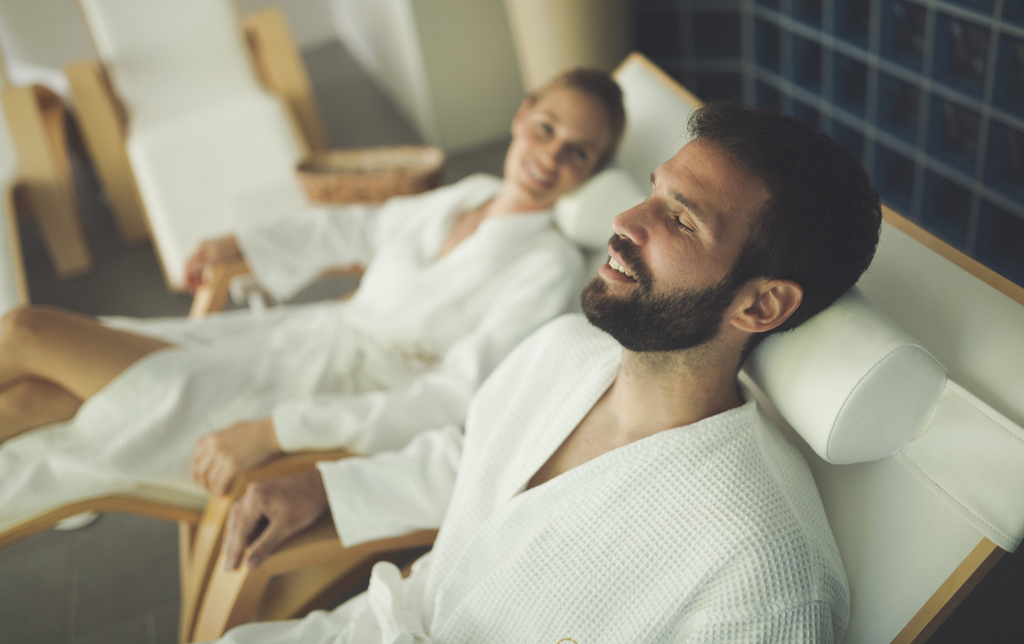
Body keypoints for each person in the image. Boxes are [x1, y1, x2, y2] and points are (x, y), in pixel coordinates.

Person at [211, 102, 882, 643]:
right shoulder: (561, 349)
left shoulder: (762, 567)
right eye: (655, 192)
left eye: (679, 219)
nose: (623, 222)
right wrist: (326, 488)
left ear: (761, 304)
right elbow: (471, 459)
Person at [0, 68, 625, 529]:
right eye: (546, 128)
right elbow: (361, 226)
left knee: (27, 332)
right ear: (522, 117)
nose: (549, 156)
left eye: (578, 152)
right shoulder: (468, 194)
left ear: (593, 172)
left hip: (315, 398)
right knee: (33, 398)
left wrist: (278, 430)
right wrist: (240, 240)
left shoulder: (544, 266)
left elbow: (457, 396)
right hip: (287, 344)